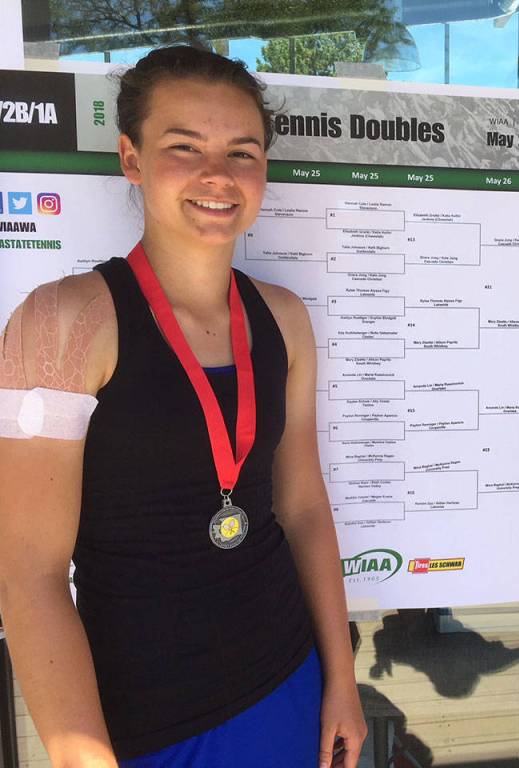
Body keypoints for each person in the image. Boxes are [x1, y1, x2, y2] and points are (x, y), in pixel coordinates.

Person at [0, 46, 367, 767]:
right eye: (184, 147)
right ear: (131, 159)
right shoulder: (63, 325)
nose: (217, 176)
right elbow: (28, 573)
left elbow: (303, 509)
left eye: (242, 151)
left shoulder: (285, 319)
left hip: (290, 681)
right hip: (151, 721)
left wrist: (342, 681)